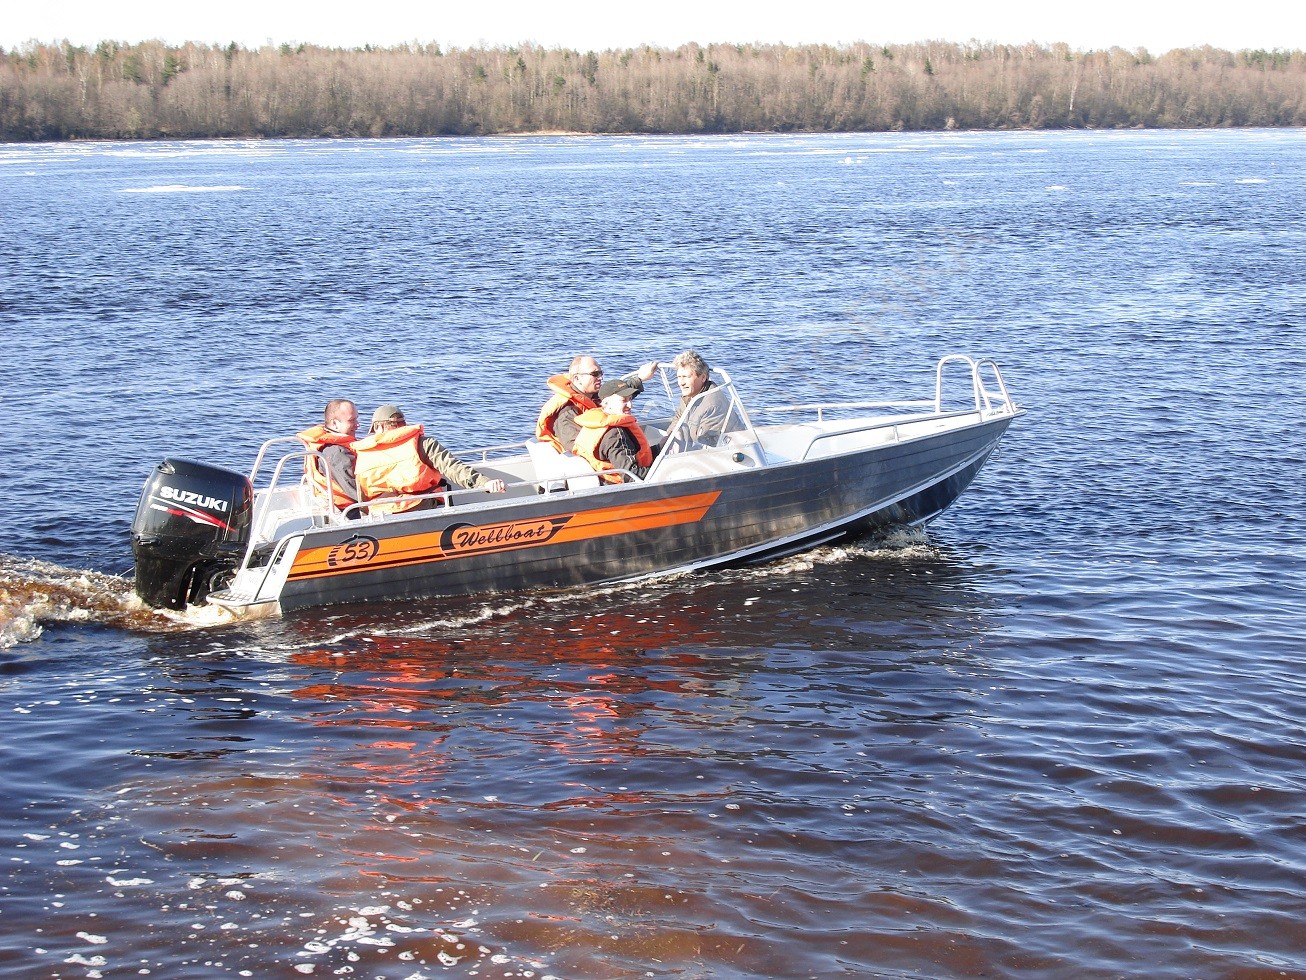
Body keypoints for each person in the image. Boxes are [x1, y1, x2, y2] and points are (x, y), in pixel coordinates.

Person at [353, 404, 507, 514]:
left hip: (380, 513)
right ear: (403, 423)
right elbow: (453, 468)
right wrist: (484, 483)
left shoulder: (363, 452)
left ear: (378, 427)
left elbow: (362, 496)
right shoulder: (422, 443)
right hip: (420, 507)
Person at [537, 355, 658, 453]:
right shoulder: (566, 412)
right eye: (594, 374)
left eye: (601, 373)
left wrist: (640, 378)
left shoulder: (592, 396)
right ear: (577, 378)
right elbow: (578, 449)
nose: (600, 377)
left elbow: (617, 396)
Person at [572, 378, 655, 483]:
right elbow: (631, 475)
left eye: (630, 399)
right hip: (617, 490)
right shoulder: (616, 435)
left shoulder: (596, 425)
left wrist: (660, 447)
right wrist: (665, 469)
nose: (630, 405)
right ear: (606, 403)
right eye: (623, 400)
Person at [296, 398, 361, 513]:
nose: (358, 425)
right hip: (347, 510)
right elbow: (355, 493)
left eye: (357, 419)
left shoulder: (324, 445)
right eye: (352, 420)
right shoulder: (338, 453)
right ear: (335, 423)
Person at [666, 349, 731, 447]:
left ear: (703, 377)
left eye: (686, 377)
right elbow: (678, 418)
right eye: (679, 377)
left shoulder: (713, 406)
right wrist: (674, 433)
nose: (681, 383)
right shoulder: (689, 396)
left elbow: (705, 446)